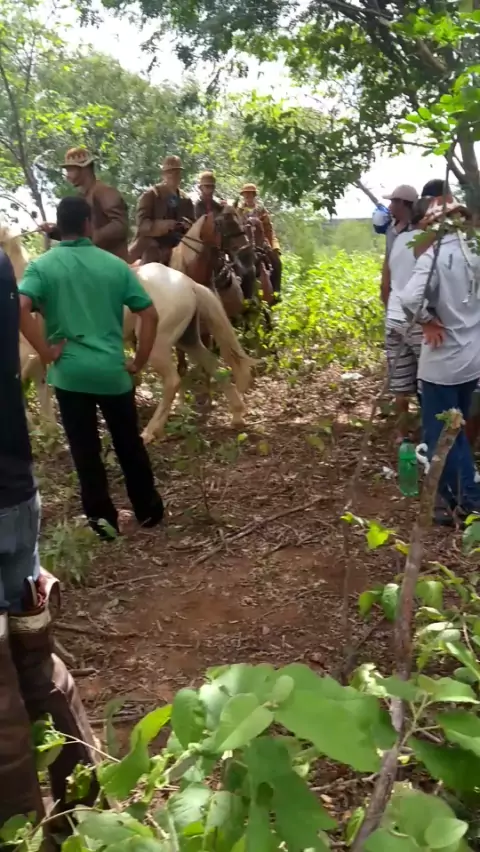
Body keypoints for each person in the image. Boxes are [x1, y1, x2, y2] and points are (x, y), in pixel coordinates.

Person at [0, 248, 98, 840]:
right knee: (34, 655)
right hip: (13, 491)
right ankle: (84, 817)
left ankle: (19, 833)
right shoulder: (2, 263)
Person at [19, 196, 163, 539]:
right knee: (129, 445)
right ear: (88, 224)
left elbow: (19, 306)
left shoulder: (42, 266)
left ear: (60, 225)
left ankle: (103, 524)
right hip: (113, 372)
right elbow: (149, 314)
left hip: (70, 374)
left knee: (85, 452)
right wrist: (139, 361)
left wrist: (46, 352)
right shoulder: (114, 265)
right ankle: (149, 512)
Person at [400, 199, 480, 525]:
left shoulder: (435, 255)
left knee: (443, 436)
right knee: (456, 429)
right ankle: (455, 498)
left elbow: (409, 297)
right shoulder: (475, 251)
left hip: (443, 360)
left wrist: (426, 322)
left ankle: (470, 503)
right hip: (471, 358)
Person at [41, 147, 129, 261]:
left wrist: (89, 238)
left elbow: (120, 226)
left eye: (71, 170)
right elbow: (76, 235)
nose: (67, 175)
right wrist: (53, 231)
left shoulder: (104, 191)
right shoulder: (81, 197)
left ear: (85, 169)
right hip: (92, 261)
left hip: (111, 262)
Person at [384, 203, 425, 438]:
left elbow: (386, 281)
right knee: (429, 382)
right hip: (417, 319)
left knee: (400, 385)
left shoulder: (399, 240)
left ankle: (402, 434)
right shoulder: (429, 243)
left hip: (393, 316)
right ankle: (430, 433)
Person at [130, 155, 195, 264]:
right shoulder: (151, 195)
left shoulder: (186, 200)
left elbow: (193, 224)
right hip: (152, 244)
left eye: (177, 172)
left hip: (179, 245)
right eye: (170, 172)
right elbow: (142, 224)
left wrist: (187, 226)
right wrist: (164, 225)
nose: (174, 176)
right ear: (163, 175)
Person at [238, 183, 282, 296]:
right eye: (245, 194)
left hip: (261, 242)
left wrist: (275, 246)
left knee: (276, 262)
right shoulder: (239, 210)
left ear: (254, 195)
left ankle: (276, 291)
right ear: (243, 195)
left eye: (250, 194)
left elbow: (269, 229)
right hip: (243, 243)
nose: (248, 196)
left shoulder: (261, 210)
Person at [380, 184, 418, 308]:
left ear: (401, 203)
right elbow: (388, 259)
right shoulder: (391, 229)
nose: (389, 206)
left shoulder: (418, 231)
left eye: (392, 202)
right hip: (394, 293)